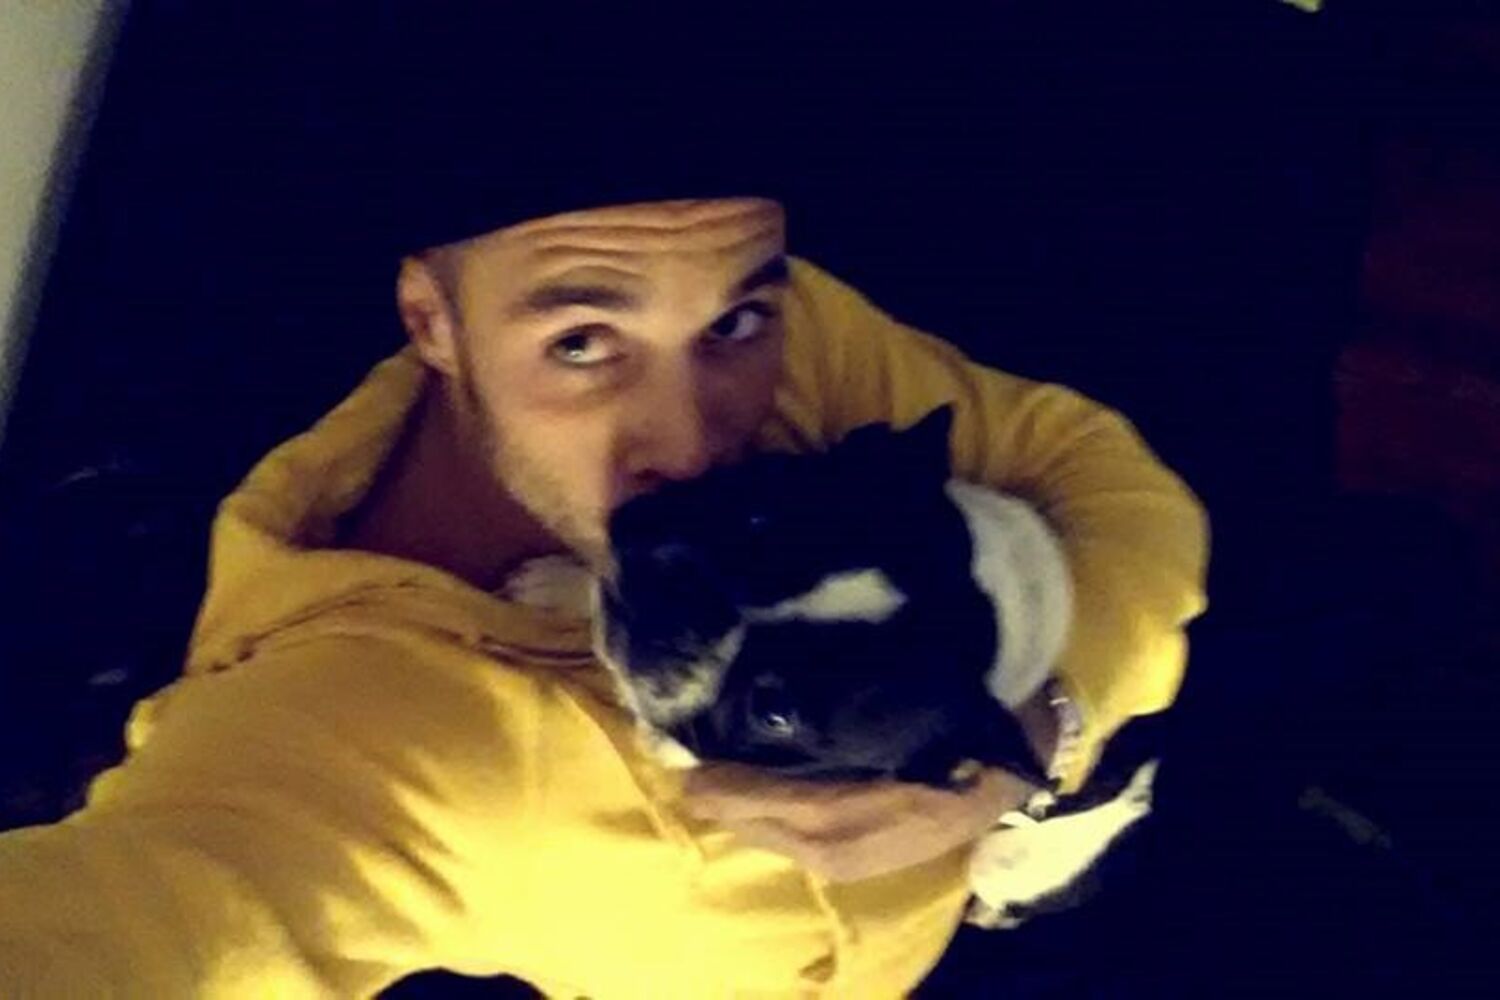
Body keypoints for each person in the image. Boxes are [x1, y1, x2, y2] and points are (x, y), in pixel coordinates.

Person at [0, 15, 1207, 997]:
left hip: (1046, 820)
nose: (694, 446)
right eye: (583, 342)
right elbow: (149, 920)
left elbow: (1096, 475)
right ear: (431, 324)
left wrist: (1045, 730)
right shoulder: (341, 713)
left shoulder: (783, 334)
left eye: (735, 321)